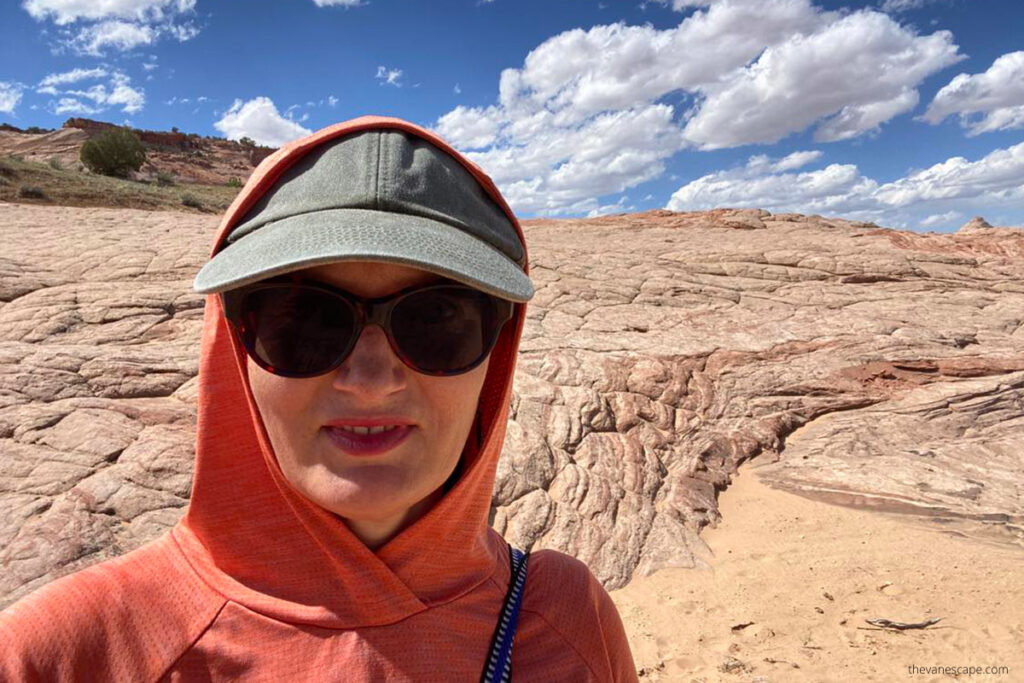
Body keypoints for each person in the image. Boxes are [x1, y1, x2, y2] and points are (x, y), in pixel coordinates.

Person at [0, 115, 638, 681]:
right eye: (303, 320)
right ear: (235, 344)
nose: (370, 379)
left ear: (497, 352)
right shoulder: (61, 655)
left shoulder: (565, 617)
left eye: (437, 319)